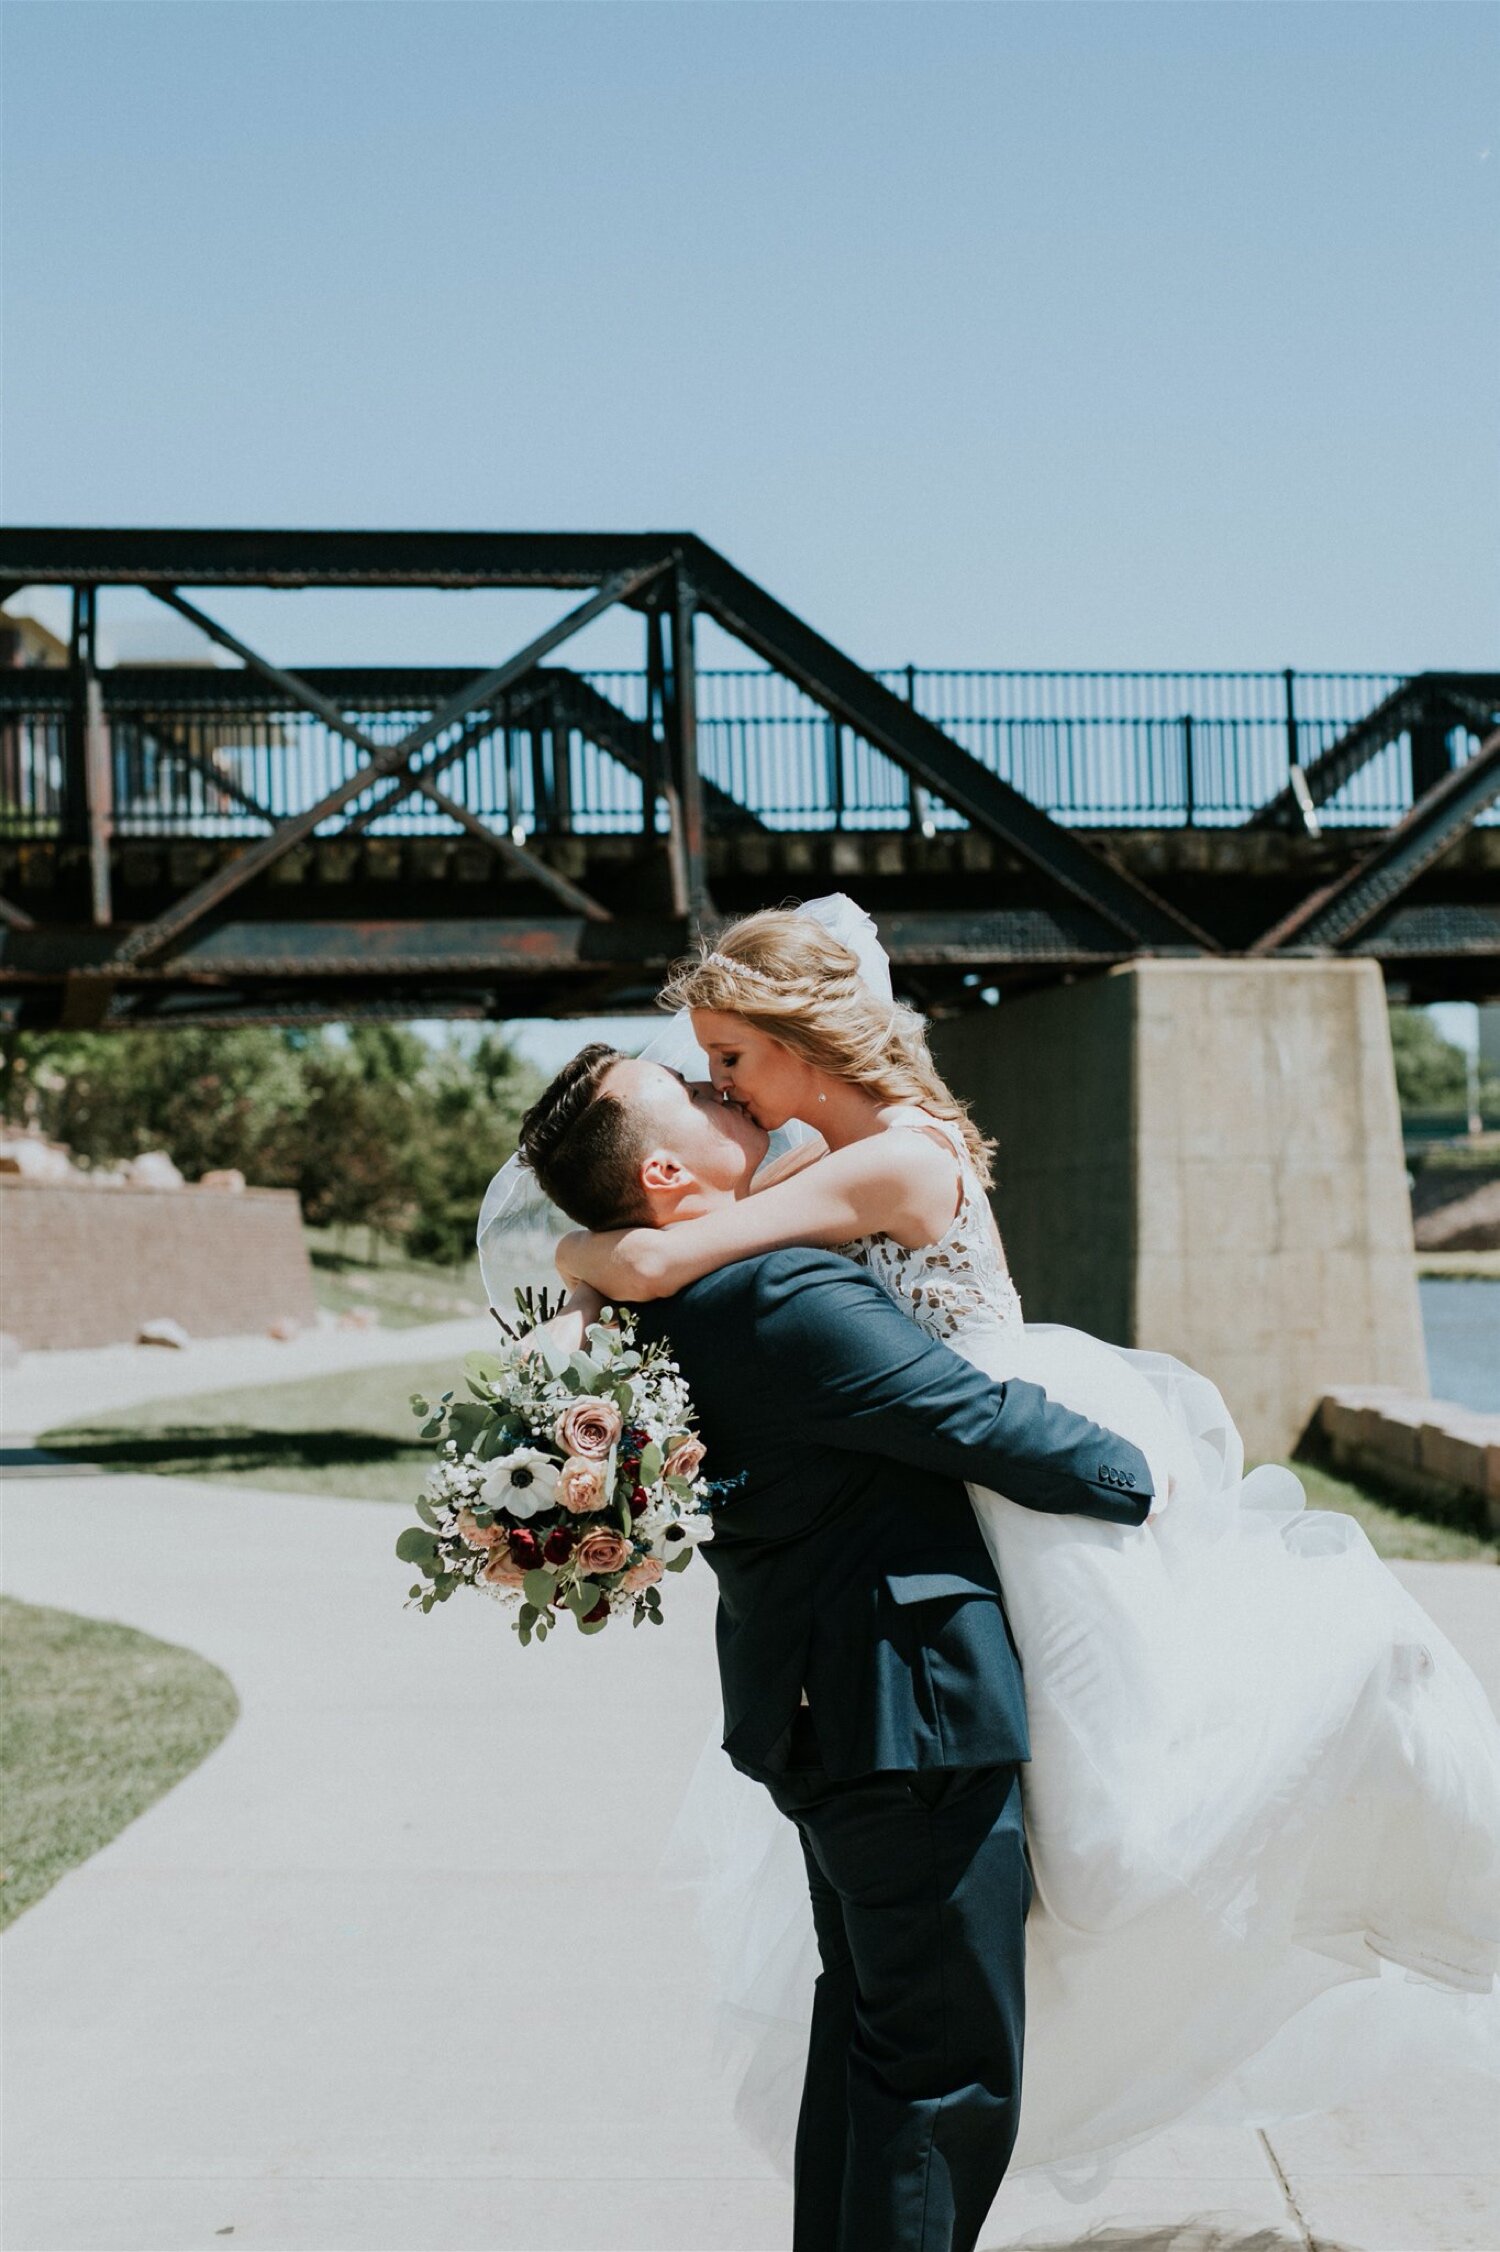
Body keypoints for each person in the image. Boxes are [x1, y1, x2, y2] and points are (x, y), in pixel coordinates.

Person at [542, 895, 1500, 2185]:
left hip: (1011, 1470)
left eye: (731, 1058)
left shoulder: (891, 1157)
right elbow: (708, 1265)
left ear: (803, 1037)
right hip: (965, 1504)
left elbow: (678, 1257)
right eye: (709, 1069)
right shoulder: (813, 1166)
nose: (726, 1087)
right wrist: (603, 1243)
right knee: (970, 1973)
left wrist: (587, 1245)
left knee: (1119, 1804)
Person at [514, 1040, 1156, 2252]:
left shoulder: (662, 1299)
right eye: (697, 1093)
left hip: (821, 1702)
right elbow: (973, 1417)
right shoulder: (776, 1293)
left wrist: (588, 1256)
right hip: (902, 1712)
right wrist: (1149, 1474)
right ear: (664, 1168)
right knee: (944, 2075)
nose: (721, 1091)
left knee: (872, 2039)